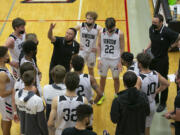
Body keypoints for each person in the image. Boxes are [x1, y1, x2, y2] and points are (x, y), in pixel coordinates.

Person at [144, 14, 180, 112]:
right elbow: (152, 39)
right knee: (153, 79)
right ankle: (155, 98)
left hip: (162, 60)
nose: (153, 24)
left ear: (161, 22)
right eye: (153, 22)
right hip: (152, 58)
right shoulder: (151, 28)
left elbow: (178, 36)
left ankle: (163, 103)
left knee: (162, 80)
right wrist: (147, 47)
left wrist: (172, 46)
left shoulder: (167, 31)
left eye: (155, 23)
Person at [136, 53, 169, 135]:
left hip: (142, 107)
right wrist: (156, 91)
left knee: (139, 128)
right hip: (152, 104)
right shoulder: (155, 73)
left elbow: (135, 94)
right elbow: (166, 84)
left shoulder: (139, 78)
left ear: (140, 64)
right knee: (147, 128)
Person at [97, 17, 124, 104]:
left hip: (115, 60)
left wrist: (120, 62)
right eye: (108, 29)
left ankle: (116, 95)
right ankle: (102, 95)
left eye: (111, 29)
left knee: (116, 79)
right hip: (104, 59)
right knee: (102, 79)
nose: (109, 30)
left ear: (114, 26)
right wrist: (99, 59)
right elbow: (98, 45)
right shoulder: (101, 32)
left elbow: (122, 48)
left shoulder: (120, 34)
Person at [15, 70, 48, 135]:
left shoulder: (17, 94)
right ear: (33, 80)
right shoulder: (37, 100)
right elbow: (41, 121)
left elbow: (18, 112)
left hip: (23, 130)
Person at [75, 11, 102, 77]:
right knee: (79, 68)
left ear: (94, 20)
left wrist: (97, 47)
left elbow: (105, 38)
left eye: (90, 19)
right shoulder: (81, 26)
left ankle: (91, 83)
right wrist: (77, 44)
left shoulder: (98, 28)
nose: (88, 20)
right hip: (82, 51)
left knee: (90, 69)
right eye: (87, 18)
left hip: (91, 52)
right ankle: (78, 83)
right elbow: (71, 31)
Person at [0, 46, 15, 135]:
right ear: (1, 58)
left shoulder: (3, 67)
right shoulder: (2, 74)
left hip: (5, 101)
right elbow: (2, 93)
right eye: (6, 55)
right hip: (6, 101)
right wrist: (14, 90)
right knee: (7, 123)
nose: (8, 57)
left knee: (4, 119)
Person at [164, 68, 180, 135]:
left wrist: (169, 116)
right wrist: (172, 111)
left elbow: (178, 117)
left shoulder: (179, 97)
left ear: (178, 80)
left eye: (175, 76)